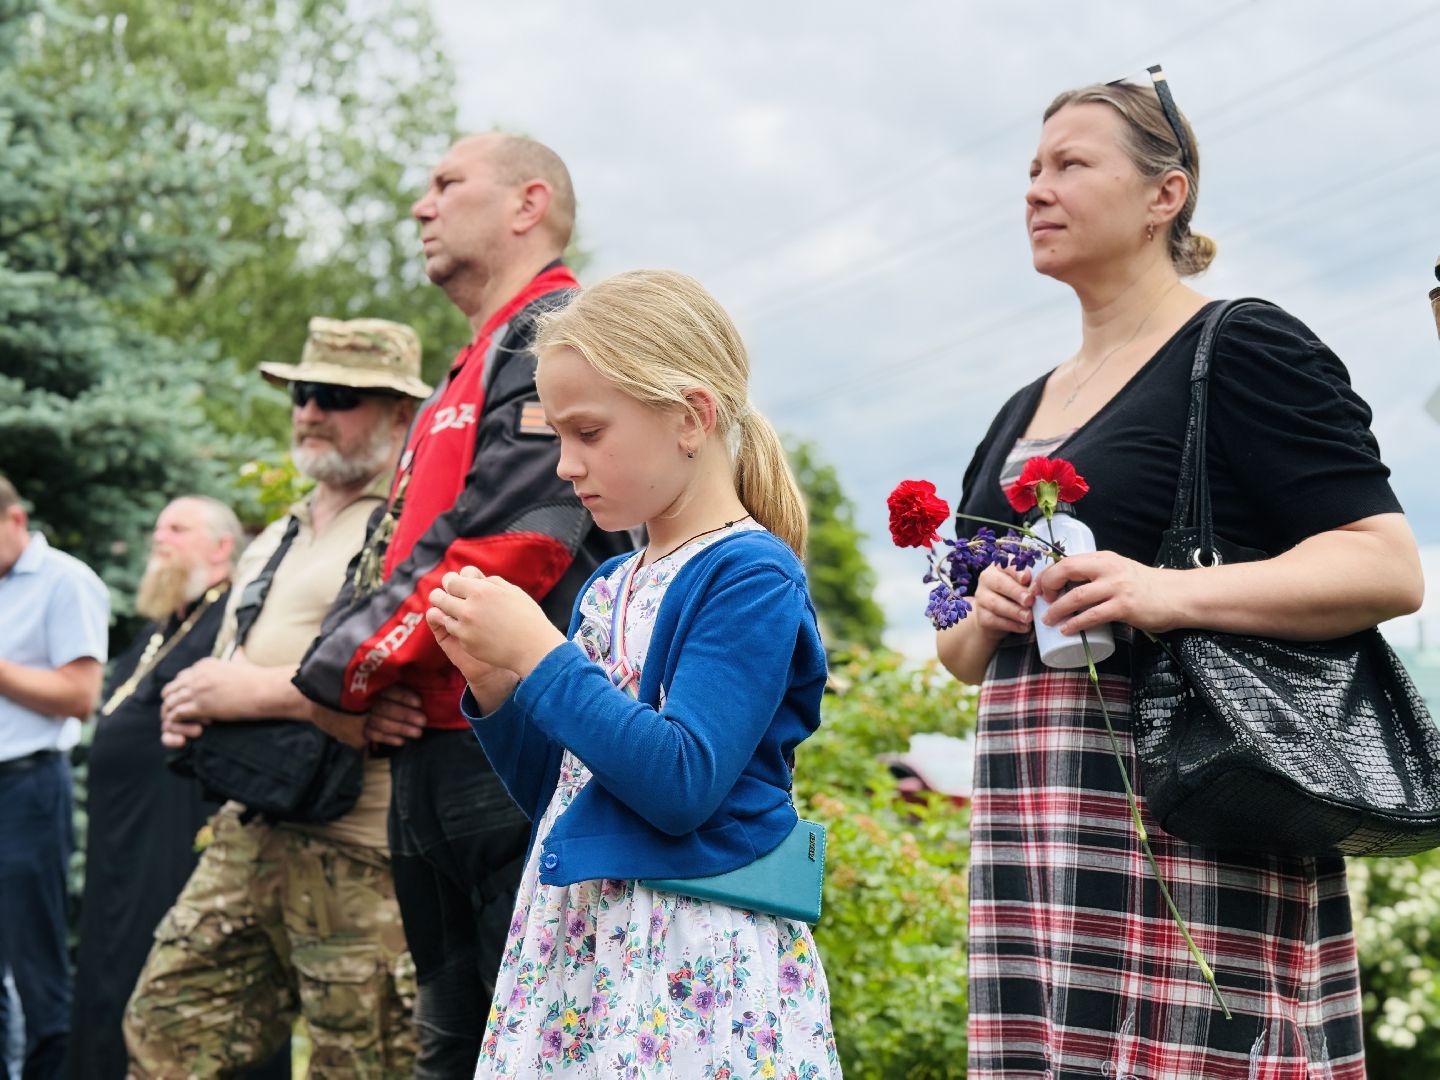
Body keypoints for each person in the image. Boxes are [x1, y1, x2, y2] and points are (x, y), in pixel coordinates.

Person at [936, 71, 1422, 1079]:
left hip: (1190, 811)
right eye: (1031, 169)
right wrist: (984, 612)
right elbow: (957, 650)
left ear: (1168, 193)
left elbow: (1386, 563)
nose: (1035, 188)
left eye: (1071, 164)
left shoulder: (1238, 345)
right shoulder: (1022, 408)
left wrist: (1164, 592)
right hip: (1039, 833)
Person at [426, 269, 840, 1077]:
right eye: (556, 438)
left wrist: (541, 656)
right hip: (585, 944)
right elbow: (570, 793)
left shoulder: (749, 574)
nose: (565, 466)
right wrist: (498, 684)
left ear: (689, 417)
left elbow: (680, 781)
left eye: (588, 433)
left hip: (691, 955)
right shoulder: (609, 584)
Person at [291, 132, 633, 1076]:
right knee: (450, 1045)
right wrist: (361, 680)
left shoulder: (556, 330)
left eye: (446, 183)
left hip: (514, 750)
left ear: (528, 204)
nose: (421, 205)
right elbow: (396, 543)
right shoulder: (472, 354)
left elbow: (511, 545)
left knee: (530, 1041)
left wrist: (342, 674)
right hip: (426, 752)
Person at [124, 319, 431, 1078]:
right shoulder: (278, 534)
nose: (310, 411)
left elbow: (404, 688)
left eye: (338, 395)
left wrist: (257, 693)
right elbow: (232, 668)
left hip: (357, 851)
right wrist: (195, 702)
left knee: (360, 1064)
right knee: (162, 1032)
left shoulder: (413, 527)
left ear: (400, 414)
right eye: (303, 392)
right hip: (249, 829)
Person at [68, 496, 244, 1080]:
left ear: (222, 546)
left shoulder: (229, 620)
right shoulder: (160, 628)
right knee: (109, 968)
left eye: (177, 527)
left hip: (176, 829)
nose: (158, 538)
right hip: (122, 840)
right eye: (157, 527)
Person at [0, 474, 110, 1079]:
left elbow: (78, 695)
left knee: (38, 970)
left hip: (26, 790)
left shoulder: (66, 582)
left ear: (15, 520)